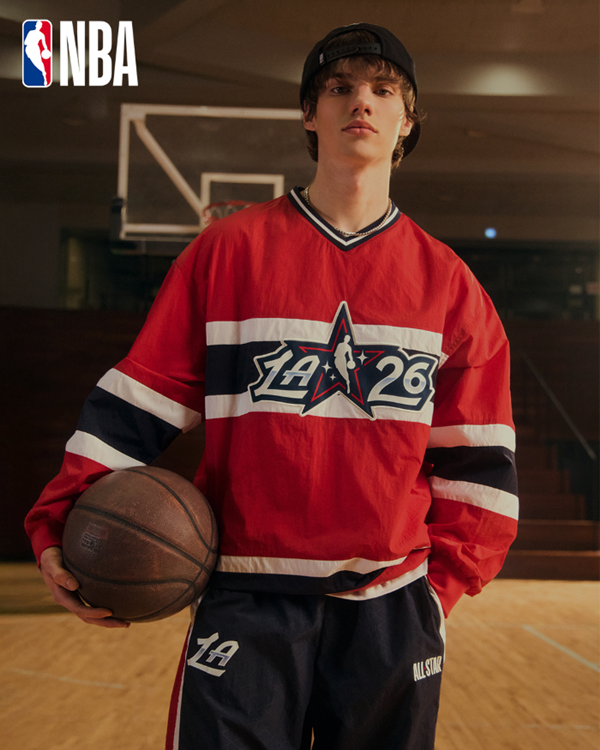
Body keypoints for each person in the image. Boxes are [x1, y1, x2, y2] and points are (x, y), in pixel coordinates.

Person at [25, 22, 519, 750]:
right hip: (245, 597)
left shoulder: (451, 285)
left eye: (384, 90)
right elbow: (139, 401)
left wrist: (433, 596)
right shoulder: (227, 252)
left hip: (389, 608)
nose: (361, 102)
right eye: (339, 87)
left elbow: (481, 468)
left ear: (408, 122)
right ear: (309, 115)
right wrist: (60, 523)